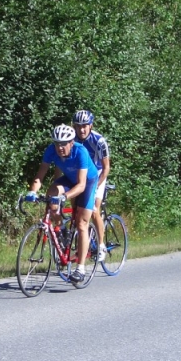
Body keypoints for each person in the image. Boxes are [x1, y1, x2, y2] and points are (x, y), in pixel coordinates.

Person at [25, 124, 98, 283]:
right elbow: (40, 175)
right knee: (51, 194)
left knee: (81, 223)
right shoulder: (51, 150)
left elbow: (81, 185)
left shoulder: (81, 152)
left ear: (71, 142)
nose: (60, 147)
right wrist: (33, 192)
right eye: (57, 143)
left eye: (64, 144)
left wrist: (64, 197)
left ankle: (80, 269)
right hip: (69, 179)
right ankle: (62, 230)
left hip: (87, 182)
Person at [73, 109, 110, 262]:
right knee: (76, 212)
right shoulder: (72, 139)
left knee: (94, 210)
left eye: (85, 126)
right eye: (78, 126)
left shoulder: (99, 141)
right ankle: (83, 244)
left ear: (91, 126)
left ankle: (101, 245)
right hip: (81, 176)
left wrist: (96, 186)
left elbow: (106, 167)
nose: (81, 129)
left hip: (98, 175)